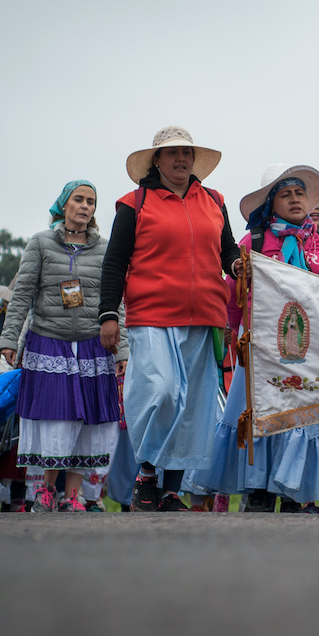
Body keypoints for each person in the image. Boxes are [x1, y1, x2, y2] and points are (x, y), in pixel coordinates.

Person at [99, 127, 242, 512]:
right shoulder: (135, 202)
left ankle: (170, 492)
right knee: (162, 391)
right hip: (152, 314)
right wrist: (108, 314)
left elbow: (226, 248)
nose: (181, 159)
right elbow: (115, 262)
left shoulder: (214, 200)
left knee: (193, 404)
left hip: (206, 314)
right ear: (156, 161)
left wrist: (235, 264)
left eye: (187, 152)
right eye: (172, 152)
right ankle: (146, 473)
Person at [0, 180, 126, 513]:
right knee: (56, 418)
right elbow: (22, 295)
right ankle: (45, 490)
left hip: (92, 346)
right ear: (63, 204)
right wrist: (10, 339)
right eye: (79, 199)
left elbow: (116, 302)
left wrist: (122, 349)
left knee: (87, 421)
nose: (85, 206)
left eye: (91, 202)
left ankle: (73, 496)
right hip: (49, 342)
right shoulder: (40, 244)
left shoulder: (104, 248)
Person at [228, 163, 319, 513]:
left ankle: (297, 492)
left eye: (300, 193)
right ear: (270, 204)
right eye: (285, 194)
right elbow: (234, 294)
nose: (295, 200)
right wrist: (236, 338)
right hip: (264, 345)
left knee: (305, 413)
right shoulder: (255, 242)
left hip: (314, 347)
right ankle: (260, 491)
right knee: (265, 413)